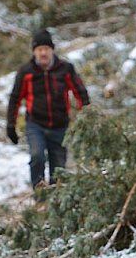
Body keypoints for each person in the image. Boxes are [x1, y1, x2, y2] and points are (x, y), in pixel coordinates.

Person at [6, 28, 90, 188]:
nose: (43, 53)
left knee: (58, 168)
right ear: (34, 52)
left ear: (52, 50)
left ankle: (56, 200)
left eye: (46, 49)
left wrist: (87, 117)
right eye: (39, 49)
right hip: (36, 124)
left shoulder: (65, 69)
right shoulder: (26, 72)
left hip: (60, 126)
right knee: (37, 157)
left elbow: (80, 93)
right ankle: (39, 196)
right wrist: (11, 125)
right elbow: (15, 98)